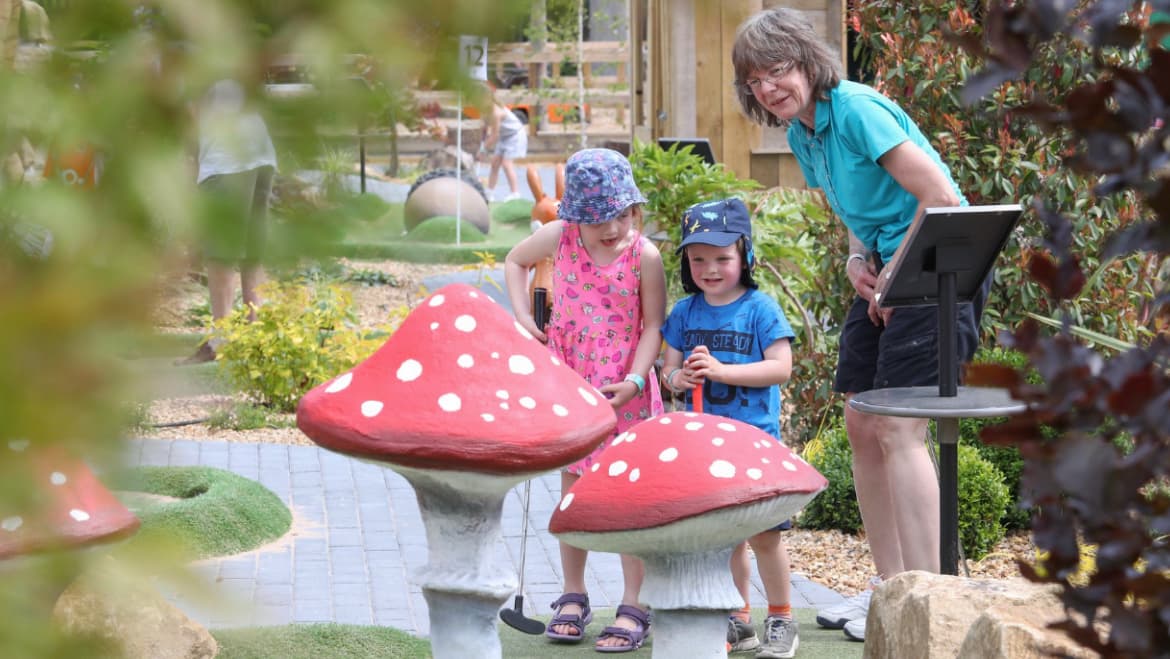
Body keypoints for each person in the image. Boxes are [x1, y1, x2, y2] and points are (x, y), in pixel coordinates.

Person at [731, 8, 983, 642]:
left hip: (941, 261)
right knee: (861, 422)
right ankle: (888, 587)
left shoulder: (858, 109)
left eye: (779, 69)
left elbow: (941, 198)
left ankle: (930, 597)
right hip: (889, 268)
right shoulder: (803, 134)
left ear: (808, 62)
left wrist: (897, 273)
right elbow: (852, 211)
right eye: (756, 79)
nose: (769, 87)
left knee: (900, 426)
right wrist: (854, 259)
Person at [504, 147, 665, 652]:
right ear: (577, 215)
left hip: (626, 391)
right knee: (574, 495)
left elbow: (654, 325)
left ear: (632, 210)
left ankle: (634, 601)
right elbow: (515, 259)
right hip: (572, 387)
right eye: (597, 218)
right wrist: (525, 320)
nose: (609, 227)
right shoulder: (560, 237)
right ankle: (573, 593)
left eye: (618, 215)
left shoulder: (645, 255)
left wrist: (636, 381)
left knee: (629, 499)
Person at [660, 198, 798, 659]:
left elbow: (781, 368)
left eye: (722, 257)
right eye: (698, 259)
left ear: (746, 256)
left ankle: (781, 616)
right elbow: (670, 371)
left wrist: (721, 371)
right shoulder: (684, 313)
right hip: (706, 448)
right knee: (725, 538)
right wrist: (679, 378)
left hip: (756, 444)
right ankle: (738, 620)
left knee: (764, 535)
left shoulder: (761, 309)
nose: (710, 268)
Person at [177, 78, 278, 365]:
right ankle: (255, 336)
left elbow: (190, 124)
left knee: (220, 254)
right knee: (251, 253)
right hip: (261, 154)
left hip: (226, 160)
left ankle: (221, 341)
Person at [482, 86, 527, 201]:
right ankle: (490, 193)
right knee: (495, 163)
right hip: (504, 136)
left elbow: (494, 135)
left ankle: (515, 193)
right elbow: (485, 128)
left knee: (506, 164)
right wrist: (482, 142)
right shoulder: (485, 111)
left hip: (515, 135)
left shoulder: (497, 112)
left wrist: (483, 149)